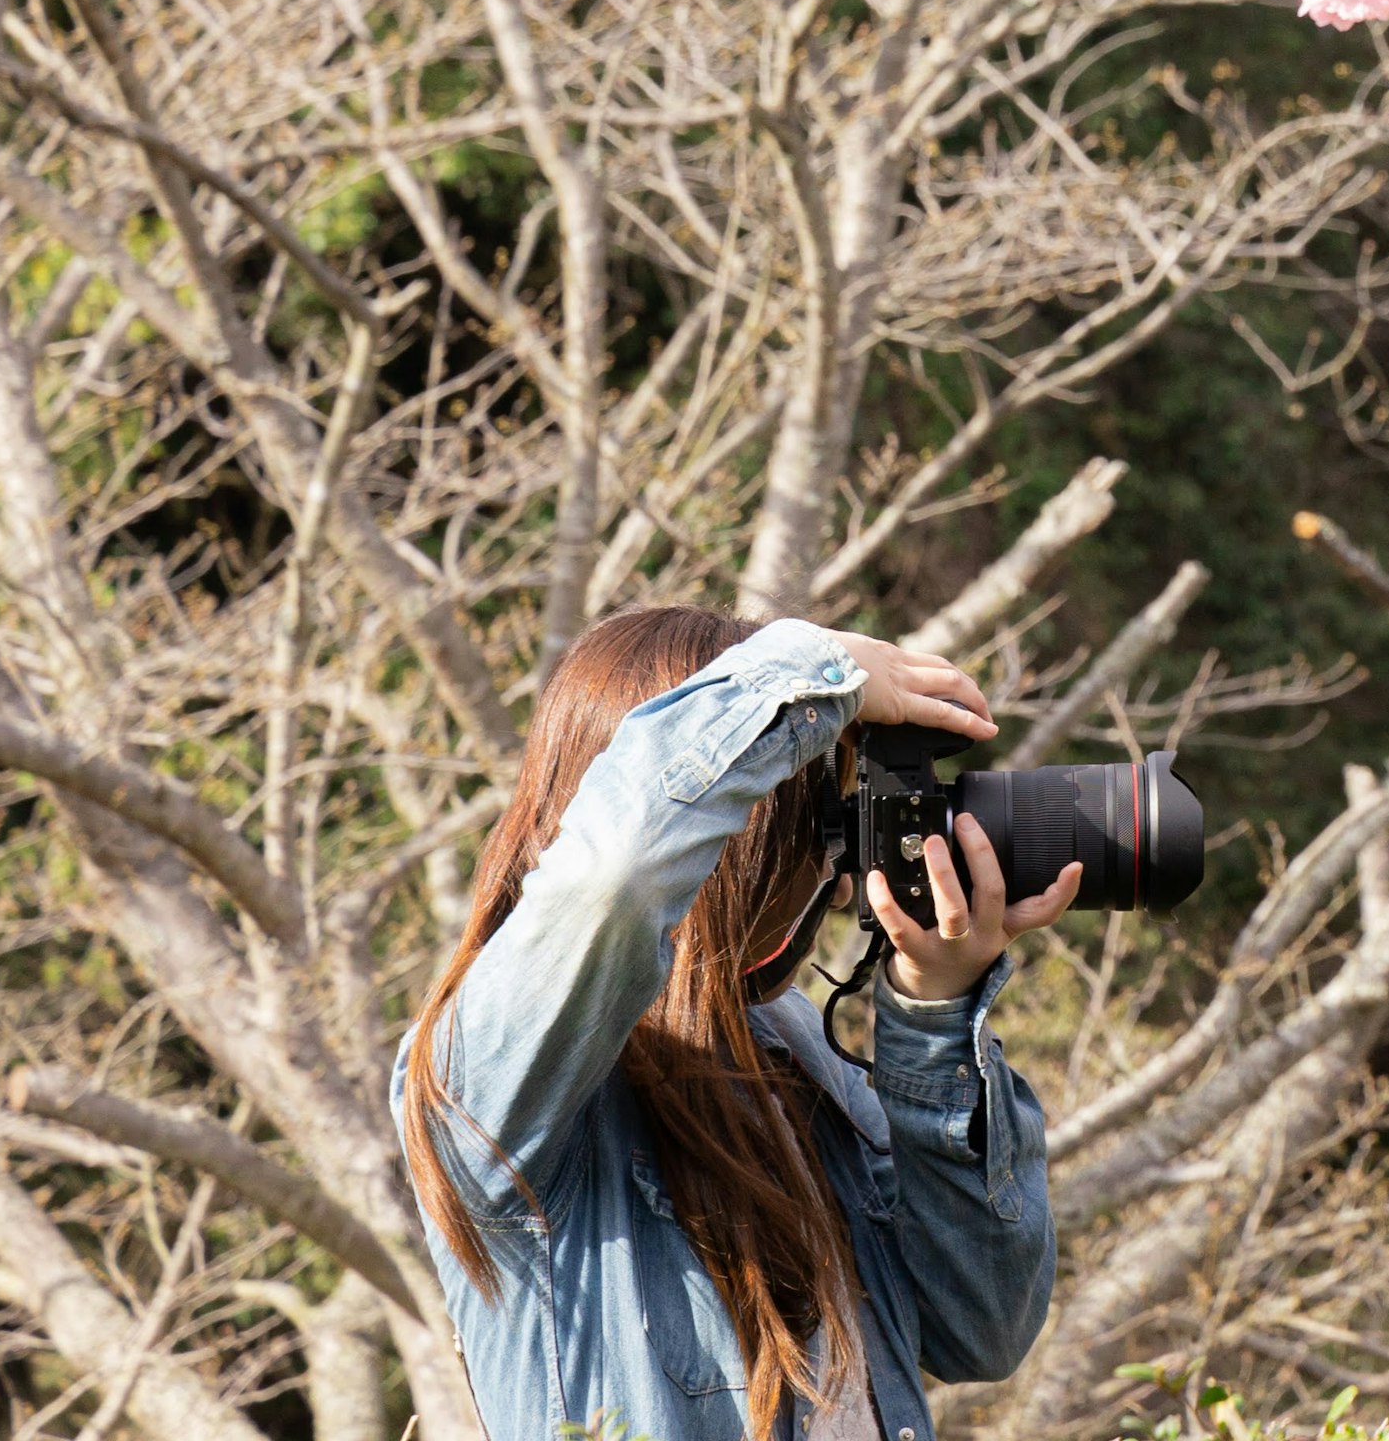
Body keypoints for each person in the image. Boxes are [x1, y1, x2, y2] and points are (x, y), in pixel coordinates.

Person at [395, 607, 1082, 1441]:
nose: (838, 881)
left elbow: (985, 1328)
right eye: (819, 829)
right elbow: (611, 881)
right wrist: (811, 671)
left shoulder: (792, 1058)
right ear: (737, 840)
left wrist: (937, 1013)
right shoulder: (488, 1075)